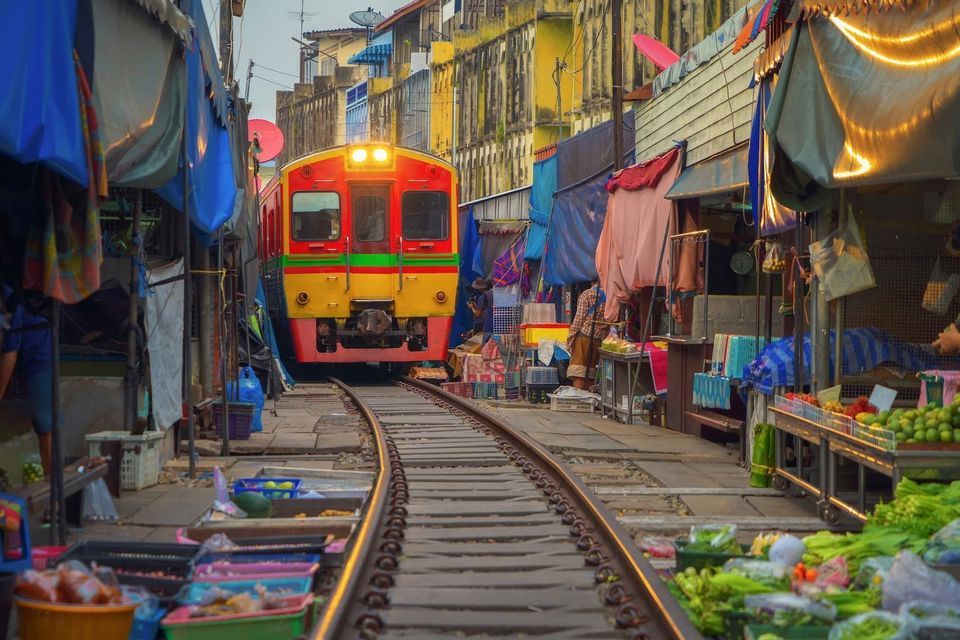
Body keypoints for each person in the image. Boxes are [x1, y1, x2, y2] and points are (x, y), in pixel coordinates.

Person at [0, 286, 55, 477]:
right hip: (26, 354)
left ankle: (52, 489)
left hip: (39, 356)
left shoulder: (12, 298)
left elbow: (10, 355)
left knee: (43, 423)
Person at [566, 282, 606, 390]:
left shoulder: (587, 294)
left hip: (584, 337)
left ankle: (578, 401)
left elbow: (578, 320)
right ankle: (589, 400)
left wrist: (570, 339)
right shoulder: (609, 296)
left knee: (579, 372)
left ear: (592, 282)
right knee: (591, 373)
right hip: (599, 340)